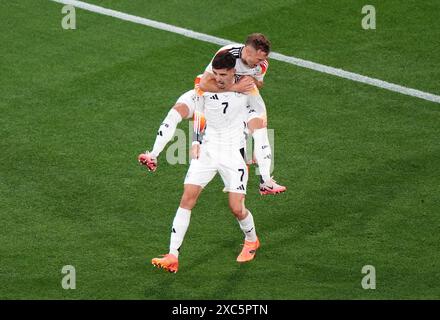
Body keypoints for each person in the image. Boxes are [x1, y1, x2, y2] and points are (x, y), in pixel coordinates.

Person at [150, 52, 263, 273]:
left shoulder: (247, 91)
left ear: (233, 72)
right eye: (216, 74)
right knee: (187, 198)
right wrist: (196, 141)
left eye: (224, 74)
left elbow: (256, 119)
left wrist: (254, 150)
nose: (219, 78)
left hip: (234, 155)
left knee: (236, 208)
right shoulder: (205, 87)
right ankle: (173, 255)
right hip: (208, 151)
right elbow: (199, 113)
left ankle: (252, 240)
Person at [139, 33, 286, 195]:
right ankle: (152, 155)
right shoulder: (226, 55)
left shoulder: (261, 64)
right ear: (249, 52)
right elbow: (204, 83)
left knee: (260, 130)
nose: (261, 62)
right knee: (177, 110)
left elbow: (259, 81)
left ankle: (265, 181)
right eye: (258, 59)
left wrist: (251, 79)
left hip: (240, 101)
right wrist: (234, 87)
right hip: (212, 96)